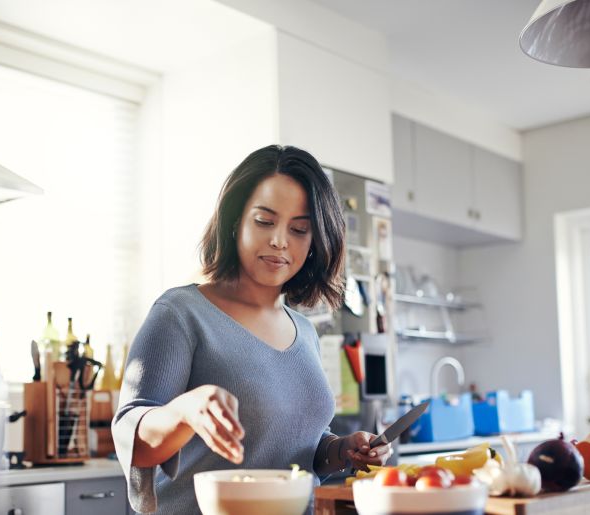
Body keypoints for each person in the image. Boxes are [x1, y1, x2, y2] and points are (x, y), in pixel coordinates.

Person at [112, 145, 393, 514]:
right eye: (264, 221)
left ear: (315, 242)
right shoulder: (181, 313)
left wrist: (341, 450)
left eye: (299, 229)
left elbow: (298, 447)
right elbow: (131, 435)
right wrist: (185, 411)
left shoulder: (304, 331)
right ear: (235, 221)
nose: (280, 240)